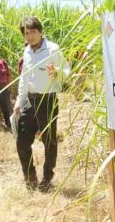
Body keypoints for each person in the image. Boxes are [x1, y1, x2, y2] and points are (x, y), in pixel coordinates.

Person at [13, 16, 70, 191]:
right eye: (26, 33)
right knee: (22, 141)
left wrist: (56, 72)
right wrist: (18, 101)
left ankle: (47, 178)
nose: (29, 37)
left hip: (47, 99)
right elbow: (24, 78)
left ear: (40, 32)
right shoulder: (27, 51)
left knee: (49, 141)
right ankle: (30, 177)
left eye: (33, 32)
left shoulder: (53, 49)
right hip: (30, 100)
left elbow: (66, 71)